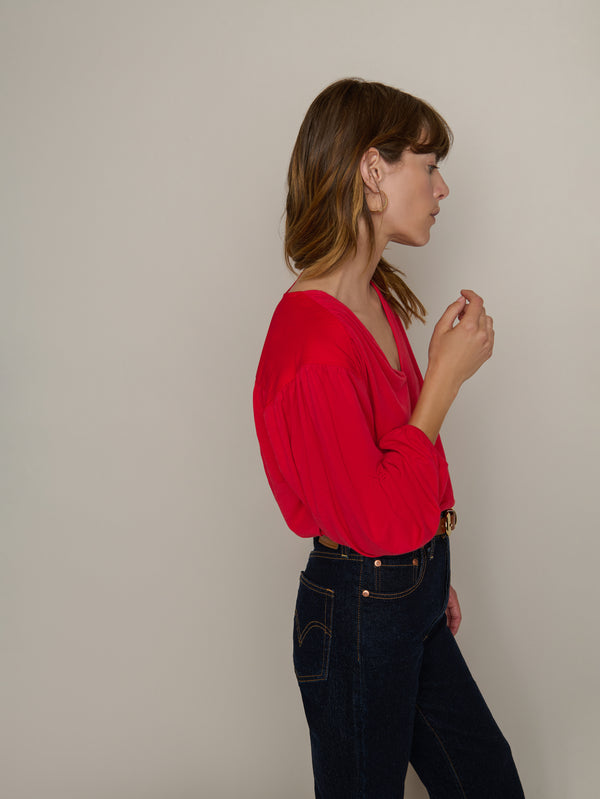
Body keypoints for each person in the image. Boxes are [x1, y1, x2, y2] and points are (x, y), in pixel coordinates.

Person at [253, 78, 525, 798]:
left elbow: (394, 459)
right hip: (361, 607)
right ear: (374, 170)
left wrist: (427, 567)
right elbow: (370, 518)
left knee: (487, 780)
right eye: (429, 166)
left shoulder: (372, 297)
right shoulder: (313, 346)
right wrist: (445, 379)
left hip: (406, 589)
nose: (442, 188)